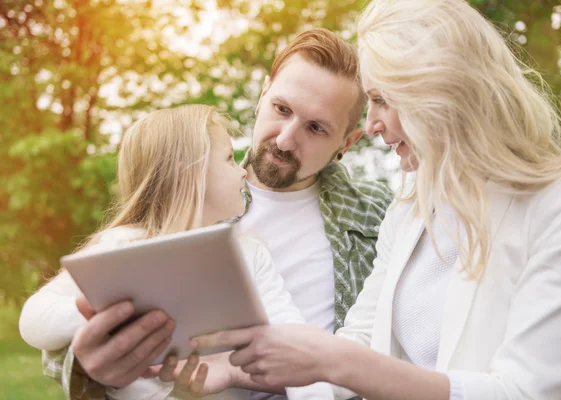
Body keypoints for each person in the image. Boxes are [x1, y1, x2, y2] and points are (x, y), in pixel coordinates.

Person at [189, 0, 561, 399]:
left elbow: (524, 392)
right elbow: (363, 344)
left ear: (441, 94)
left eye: (383, 100)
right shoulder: (413, 202)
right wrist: (227, 371)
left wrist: (334, 360)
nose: (371, 125)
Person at [38, 29, 393, 399]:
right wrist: (88, 364)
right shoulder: (192, 194)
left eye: (316, 128)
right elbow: (65, 339)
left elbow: (394, 348)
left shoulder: (380, 217)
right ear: (262, 95)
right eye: (282, 109)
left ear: (347, 143)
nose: (286, 139)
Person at [20, 104, 334, 400]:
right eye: (228, 158)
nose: (242, 171)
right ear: (189, 174)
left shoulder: (249, 253)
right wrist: (102, 314)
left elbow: (293, 336)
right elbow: (33, 320)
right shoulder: (124, 245)